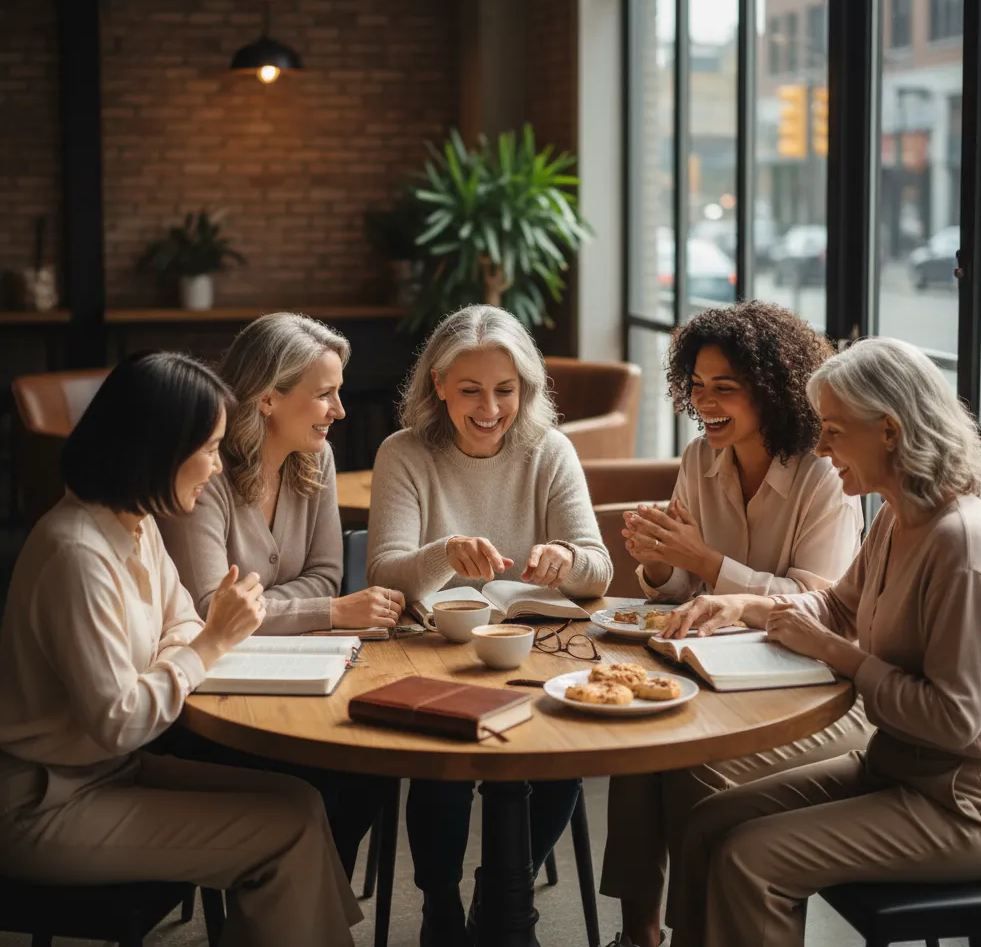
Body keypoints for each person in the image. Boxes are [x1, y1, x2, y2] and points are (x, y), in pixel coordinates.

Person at [666, 337, 981, 947]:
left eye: (833, 430)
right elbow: (837, 605)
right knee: (708, 822)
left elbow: (956, 721)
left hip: (968, 802)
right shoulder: (896, 515)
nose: (822, 446)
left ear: (888, 430)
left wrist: (840, 655)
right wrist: (749, 604)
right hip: (896, 767)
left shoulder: (961, 546)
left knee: (750, 859)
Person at [0, 352, 362, 946]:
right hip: (44, 804)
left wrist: (193, 643)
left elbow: (181, 622)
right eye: (212, 448)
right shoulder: (76, 553)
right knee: (285, 829)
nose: (218, 468)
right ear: (160, 449)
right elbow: (121, 719)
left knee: (301, 801)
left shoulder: (133, 526)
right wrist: (212, 641)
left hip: (107, 775)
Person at [600, 301, 871, 947]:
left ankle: (699, 933)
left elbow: (820, 601)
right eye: (696, 386)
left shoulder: (821, 473)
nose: (706, 401)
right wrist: (662, 565)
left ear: (772, 391)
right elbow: (685, 589)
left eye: (726, 387)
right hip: (726, 675)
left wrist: (707, 562)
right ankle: (638, 935)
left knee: (696, 771)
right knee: (640, 748)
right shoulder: (701, 459)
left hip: (821, 691)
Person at [367, 304, 613, 946]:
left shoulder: (550, 451)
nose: (489, 408)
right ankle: (440, 905)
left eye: (505, 390)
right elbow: (385, 579)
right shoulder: (404, 453)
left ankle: (504, 891)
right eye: (470, 390)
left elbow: (599, 569)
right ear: (438, 385)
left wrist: (567, 560)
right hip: (430, 655)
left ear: (525, 390)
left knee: (561, 753)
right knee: (439, 758)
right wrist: (444, 553)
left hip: (532, 652)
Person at [159, 312, 395, 876]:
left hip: (293, 671)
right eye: (324, 396)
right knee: (321, 775)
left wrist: (278, 605)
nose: (340, 411)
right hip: (209, 699)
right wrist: (328, 612)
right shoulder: (203, 471)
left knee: (373, 765)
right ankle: (301, 905)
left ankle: (309, 901)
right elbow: (207, 613)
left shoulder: (317, 457)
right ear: (267, 399)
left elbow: (324, 572)